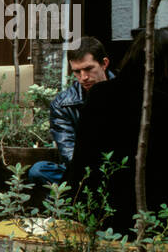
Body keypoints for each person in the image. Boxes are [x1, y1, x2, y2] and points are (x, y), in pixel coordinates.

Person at [66, 30, 168, 237]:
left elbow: (81, 158)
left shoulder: (100, 94)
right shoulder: (163, 99)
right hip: (144, 214)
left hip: (99, 210)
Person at [29, 36, 113, 185]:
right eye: (77, 72)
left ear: (104, 64)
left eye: (88, 69)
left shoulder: (127, 92)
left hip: (120, 167)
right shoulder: (63, 104)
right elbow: (70, 154)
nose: (83, 77)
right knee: (38, 170)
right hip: (84, 171)